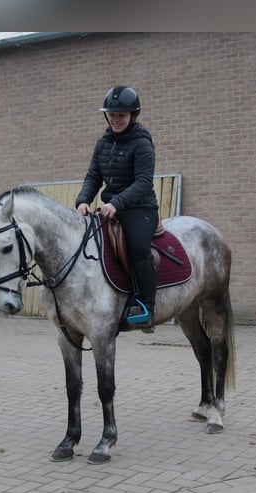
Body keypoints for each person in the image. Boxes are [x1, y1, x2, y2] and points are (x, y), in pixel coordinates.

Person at [76, 86, 159, 333]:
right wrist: (83, 200)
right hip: (108, 207)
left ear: (133, 115)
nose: (115, 119)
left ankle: (147, 308)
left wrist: (116, 203)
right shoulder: (103, 143)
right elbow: (93, 176)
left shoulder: (142, 143)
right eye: (112, 114)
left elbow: (143, 182)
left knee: (138, 248)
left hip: (139, 207)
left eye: (121, 115)